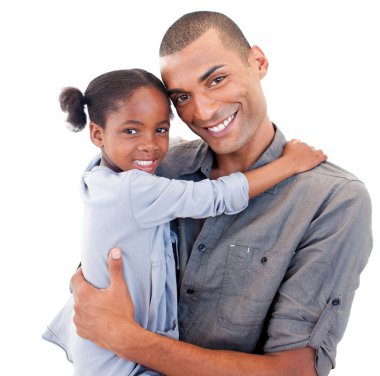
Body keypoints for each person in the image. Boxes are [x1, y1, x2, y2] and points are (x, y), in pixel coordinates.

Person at [70, 11, 373, 376]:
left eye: (216, 79)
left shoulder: (332, 200)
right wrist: (83, 289)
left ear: (257, 62)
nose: (203, 111)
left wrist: (127, 338)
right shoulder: (159, 167)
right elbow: (99, 271)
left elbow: (293, 372)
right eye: (182, 96)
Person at [43, 68, 325, 376]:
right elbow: (216, 196)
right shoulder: (132, 189)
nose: (150, 145)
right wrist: (289, 164)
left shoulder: (101, 174)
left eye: (160, 130)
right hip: (125, 365)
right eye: (131, 131)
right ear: (97, 134)